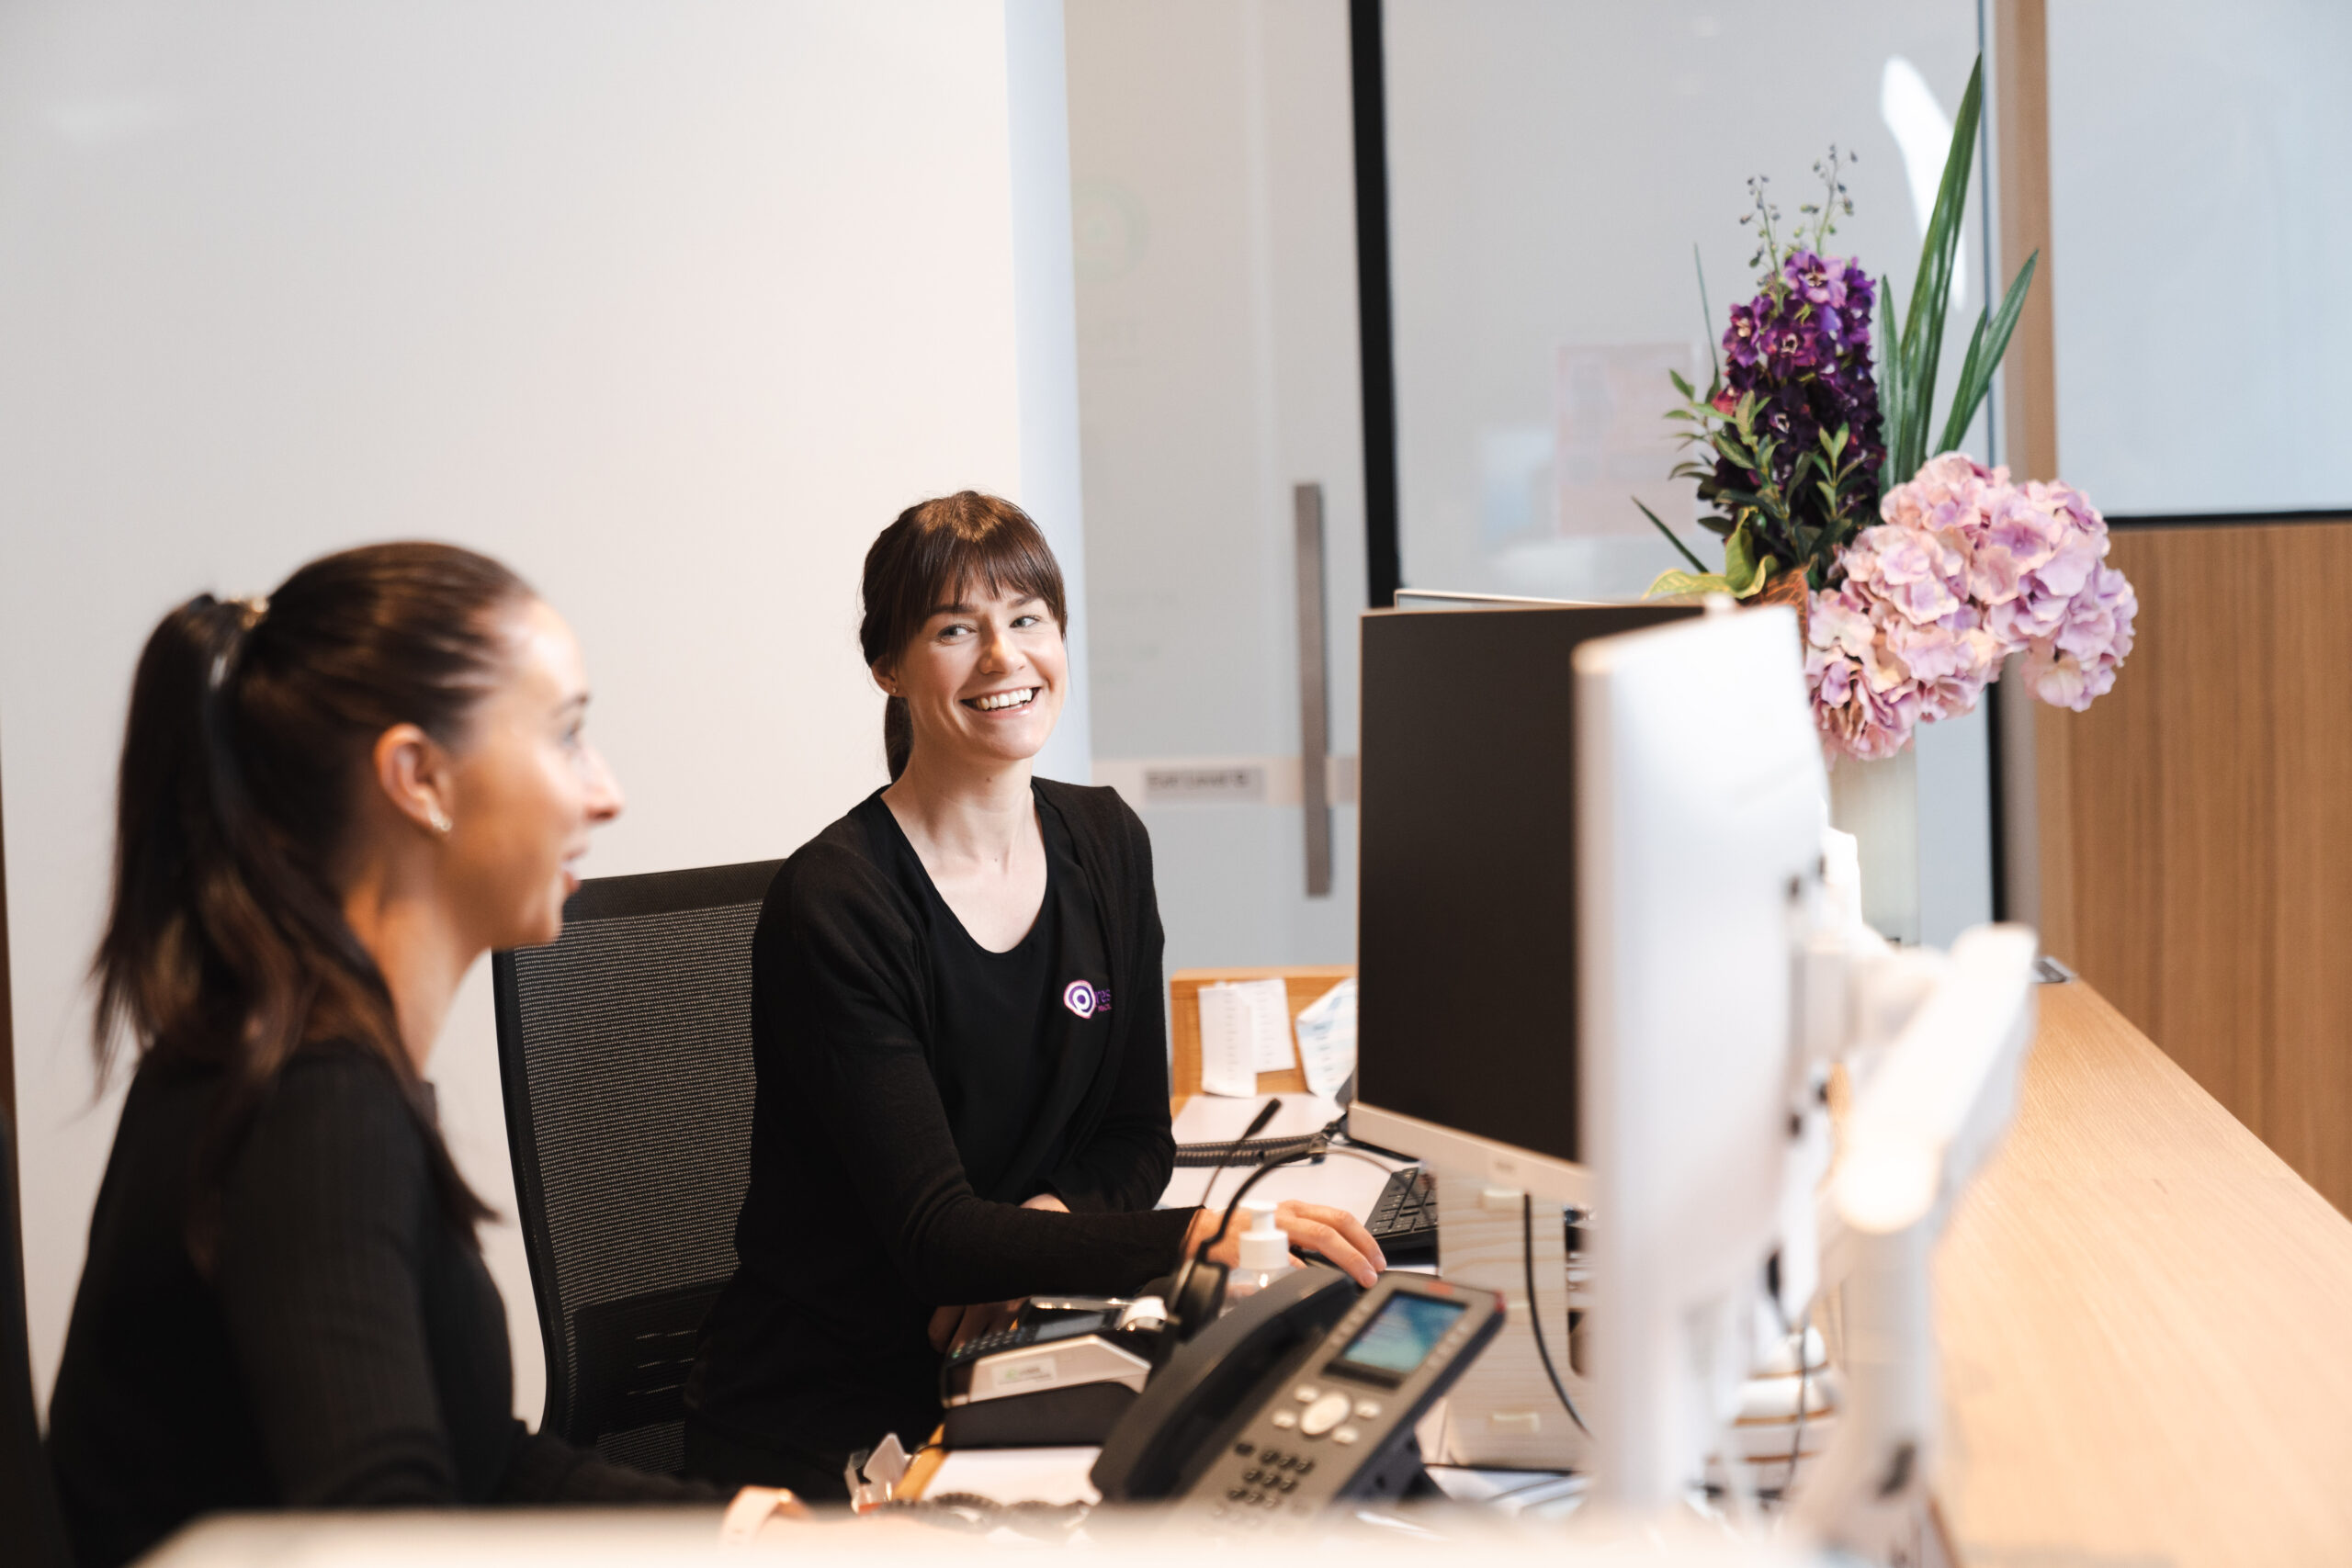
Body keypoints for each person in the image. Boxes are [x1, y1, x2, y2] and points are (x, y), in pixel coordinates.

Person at [43, 544, 794, 1568]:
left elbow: (481, 1466)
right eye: (567, 737)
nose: (605, 793)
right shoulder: (311, 1105)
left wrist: (756, 1531)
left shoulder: (304, 1055)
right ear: (419, 778)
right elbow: (383, 1540)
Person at [682, 492, 1385, 1498]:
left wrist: (1030, 1243)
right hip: (830, 1414)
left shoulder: (1104, 843)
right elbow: (936, 1236)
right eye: (954, 630)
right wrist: (1209, 1237)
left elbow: (1137, 1139)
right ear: (888, 667)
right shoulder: (837, 902)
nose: (1004, 659)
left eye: (1027, 621)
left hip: (1021, 1356)